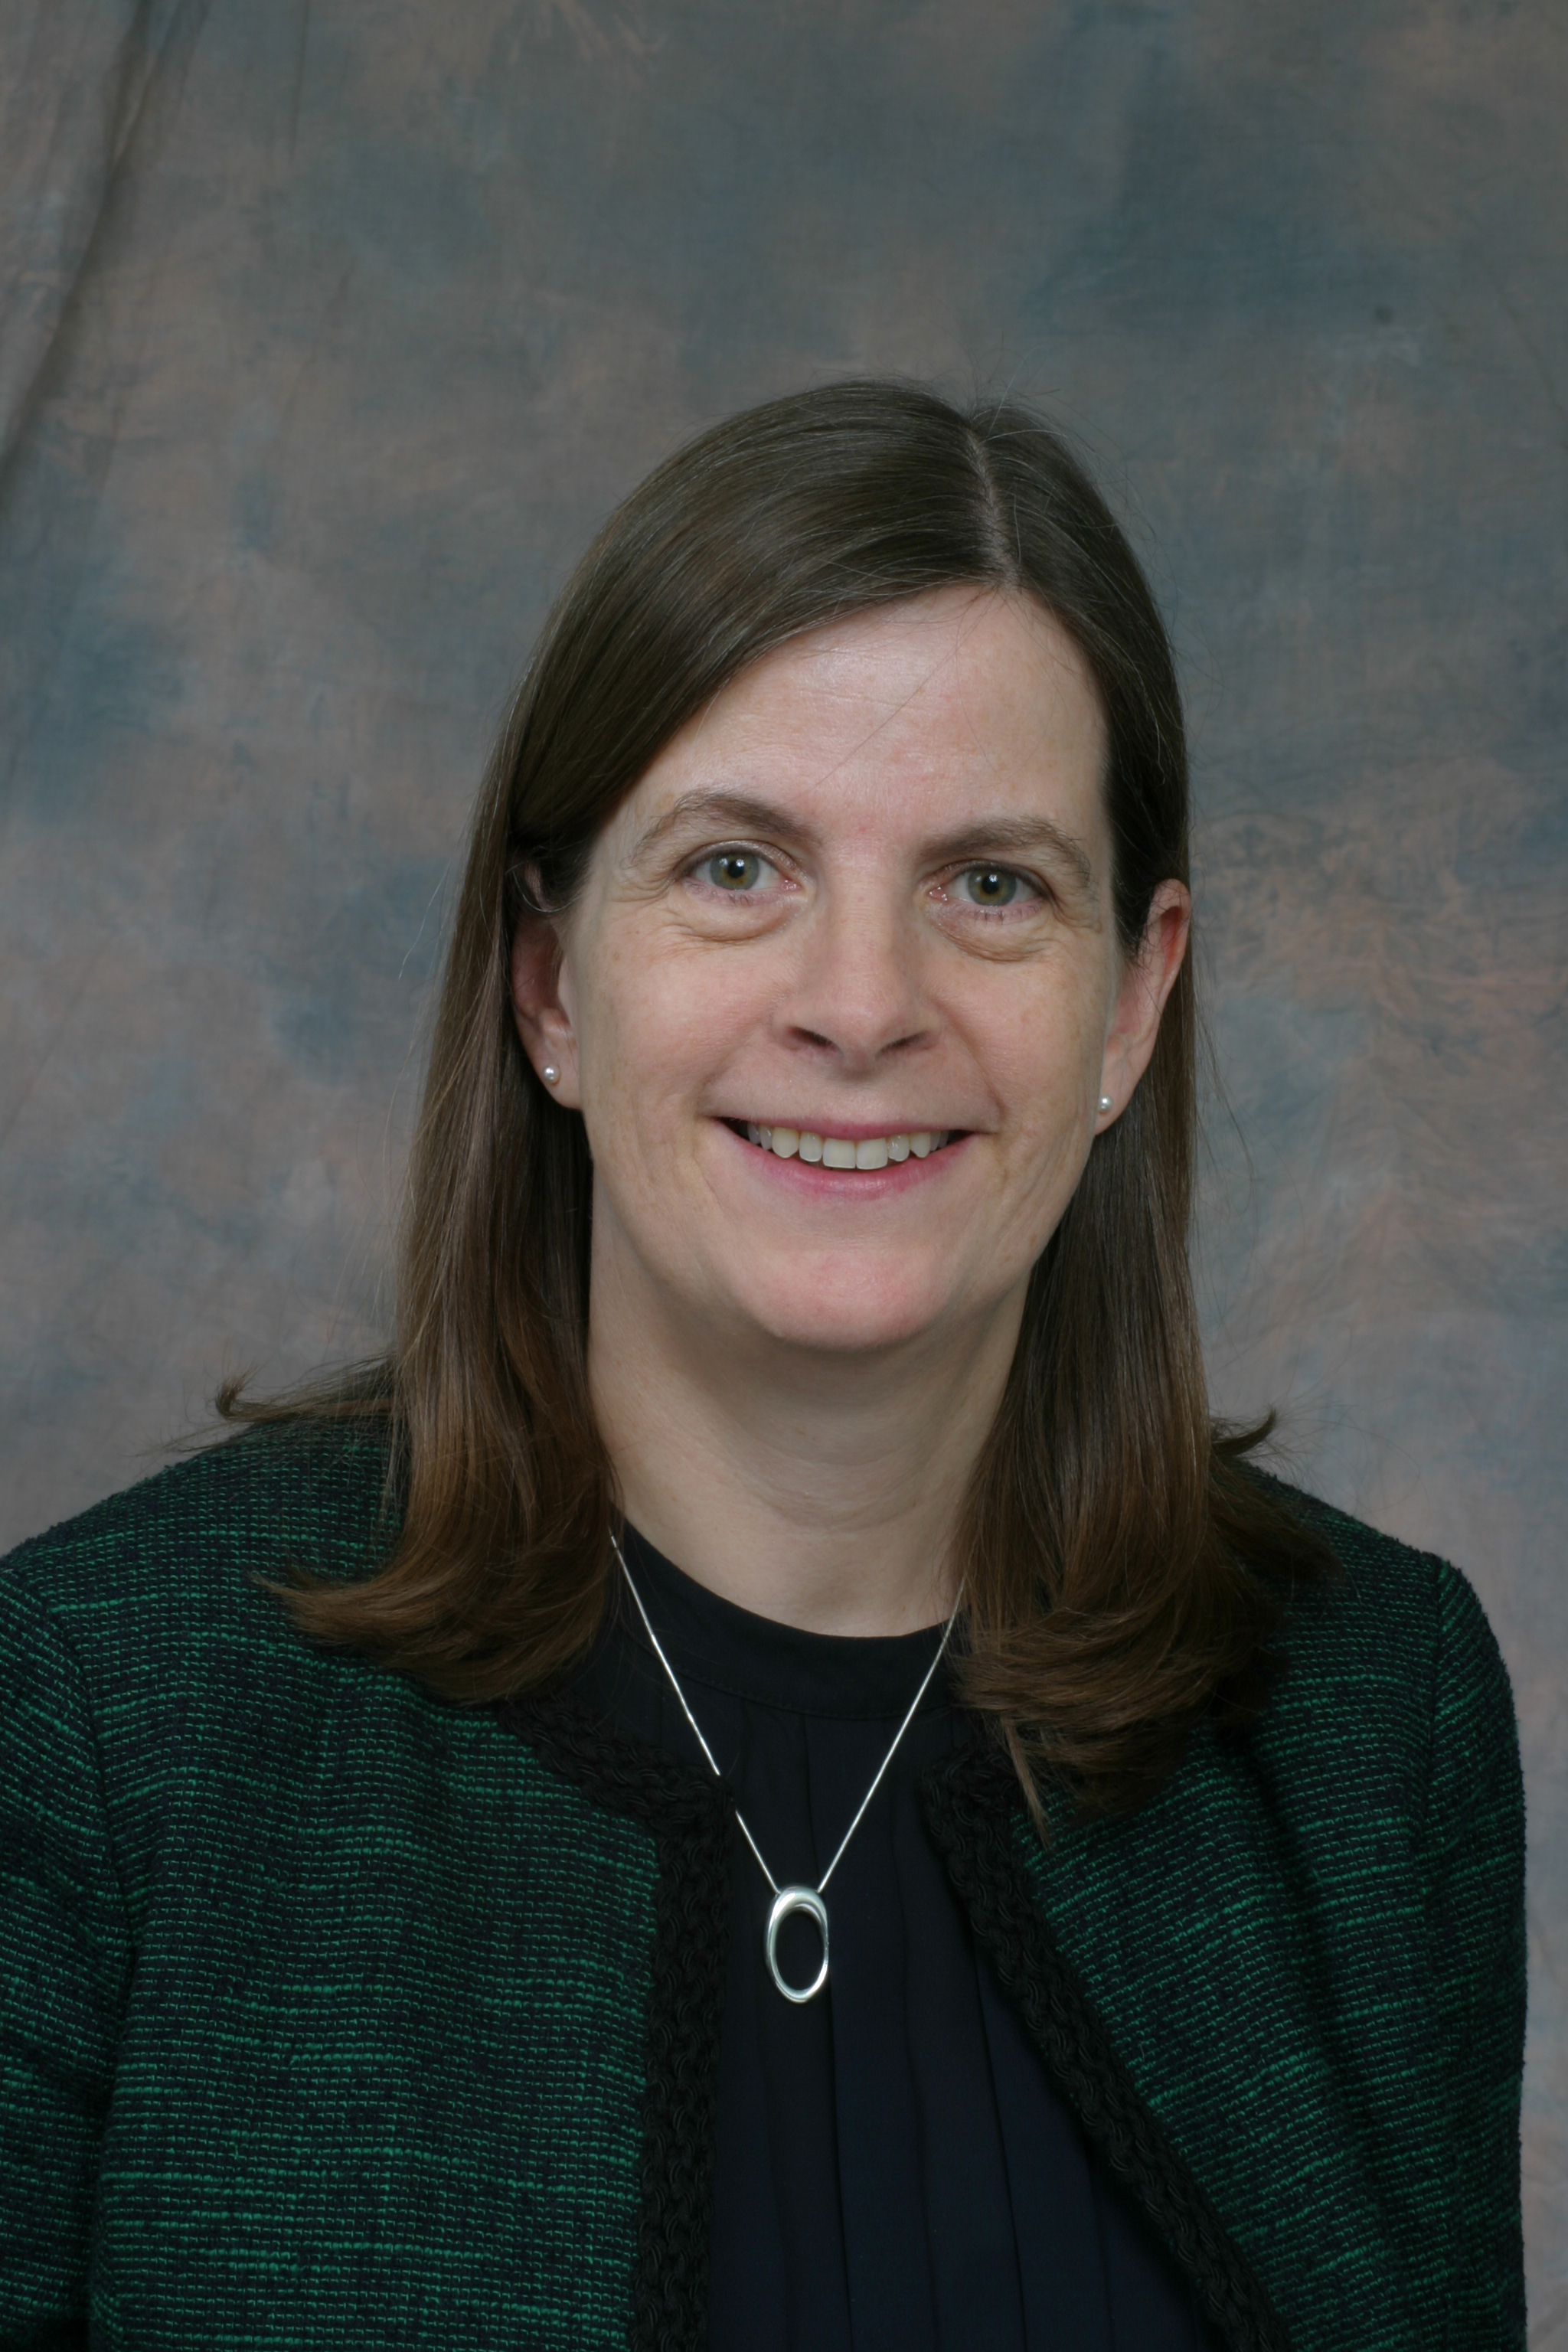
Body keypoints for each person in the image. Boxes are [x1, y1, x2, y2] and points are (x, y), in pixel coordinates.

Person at [0, 382, 1524, 2352]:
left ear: (1131, 1004)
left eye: (991, 885)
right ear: (552, 988)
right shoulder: (97, 1722)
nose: (860, 1007)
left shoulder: (1364, 1724)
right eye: (737, 867)